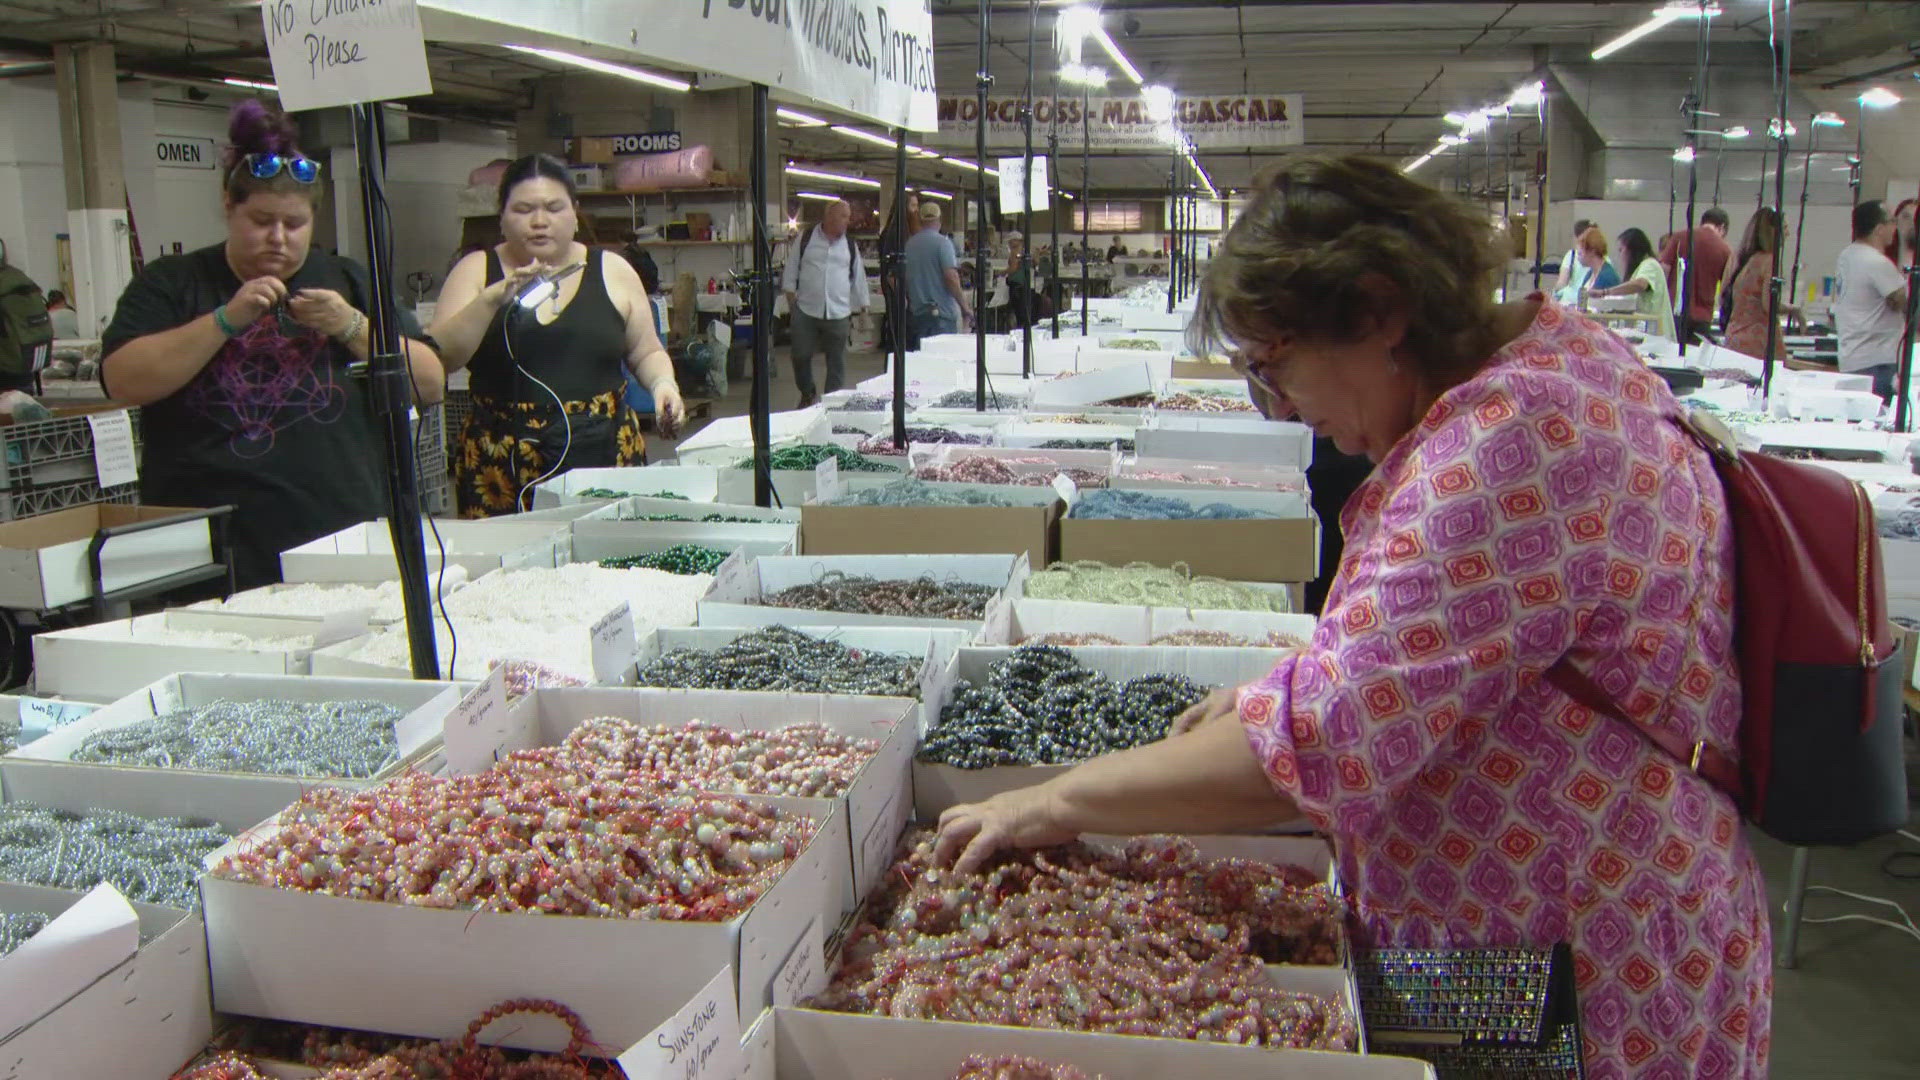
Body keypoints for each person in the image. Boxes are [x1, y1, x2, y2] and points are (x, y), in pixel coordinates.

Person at [934, 153, 1769, 1080]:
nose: (1280, 405)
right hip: (1556, 912)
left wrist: (1051, 797)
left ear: (1378, 312)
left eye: (1273, 365)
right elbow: (1472, 636)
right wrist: (1288, 683)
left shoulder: (1511, 443)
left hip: (1565, 953)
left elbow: (1329, 739)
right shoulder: (1552, 358)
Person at [100, 100, 444, 589]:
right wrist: (224, 319)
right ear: (228, 205)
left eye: (295, 224)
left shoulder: (349, 281)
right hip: (209, 551)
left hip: (339, 541)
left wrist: (351, 327)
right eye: (261, 221)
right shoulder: (172, 284)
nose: (278, 238)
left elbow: (429, 383)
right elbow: (123, 382)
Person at [432, 153, 682, 518]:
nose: (539, 222)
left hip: (603, 449)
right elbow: (442, 357)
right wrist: (489, 300)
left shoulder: (613, 270)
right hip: (500, 461)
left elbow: (645, 351)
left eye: (553, 208)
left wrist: (664, 386)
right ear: (501, 217)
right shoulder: (475, 271)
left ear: (575, 213)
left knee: (607, 562)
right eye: (522, 210)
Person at [779, 198, 869, 408]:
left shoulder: (849, 245)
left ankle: (831, 402)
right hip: (806, 309)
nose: (848, 221)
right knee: (800, 355)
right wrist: (791, 297)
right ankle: (807, 391)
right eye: (843, 216)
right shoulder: (806, 238)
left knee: (836, 361)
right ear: (829, 216)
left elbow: (859, 276)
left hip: (838, 312)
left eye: (848, 217)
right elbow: (792, 268)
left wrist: (864, 308)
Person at [1833, 199, 1911, 402]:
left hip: (1852, 359)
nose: (1895, 228)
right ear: (1879, 229)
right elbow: (1903, 303)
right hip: (1878, 363)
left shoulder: (1847, 255)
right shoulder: (1877, 262)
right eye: (1893, 221)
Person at [1721, 208, 1791, 361]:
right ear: (1773, 231)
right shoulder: (1770, 261)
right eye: (1785, 228)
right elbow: (1769, 305)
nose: (1788, 234)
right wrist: (1794, 310)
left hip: (1734, 338)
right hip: (1758, 345)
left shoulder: (1741, 259)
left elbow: (1724, 294)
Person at [1590, 227, 1677, 340]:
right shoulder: (1640, 269)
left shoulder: (1650, 264)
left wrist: (1605, 292)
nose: (1620, 256)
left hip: (1658, 335)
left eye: (1621, 250)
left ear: (1632, 250)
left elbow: (1640, 284)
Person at [1658, 207, 1731, 340]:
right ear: (1722, 227)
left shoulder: (1679, 237)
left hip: (1675, 312)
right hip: (1703, 316)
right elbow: (1727, 286)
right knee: (1695, 358)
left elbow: (1663, 271)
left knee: (1673, 355)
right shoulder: (1724, 249)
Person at [905, 201, 972, 338]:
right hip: (941, 315)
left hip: (917, 315)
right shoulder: (943, 243)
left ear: (920, 220)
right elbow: (951, 278)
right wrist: (965, 308)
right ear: (939, 220)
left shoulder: (909, 245)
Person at [877, 192, 921, 355]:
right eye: (913, 206)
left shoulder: (907, 232)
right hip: (899, 295)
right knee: (900, 336)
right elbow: (891, 272)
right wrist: (901, 295)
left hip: (905, 293)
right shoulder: (896, 233)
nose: (916, 211)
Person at [1570, 225, 1620, 300]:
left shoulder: (1608, 277)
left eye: (1580, 253)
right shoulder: (1590, 273)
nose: (1578, 258)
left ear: (1592, 251)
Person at [1552, 217, 1593, 302]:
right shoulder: (1604, 258)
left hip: (1571, 302)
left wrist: (1555, 293)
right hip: (1590, 301)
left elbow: (1562, 283)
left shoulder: (1571, 255)